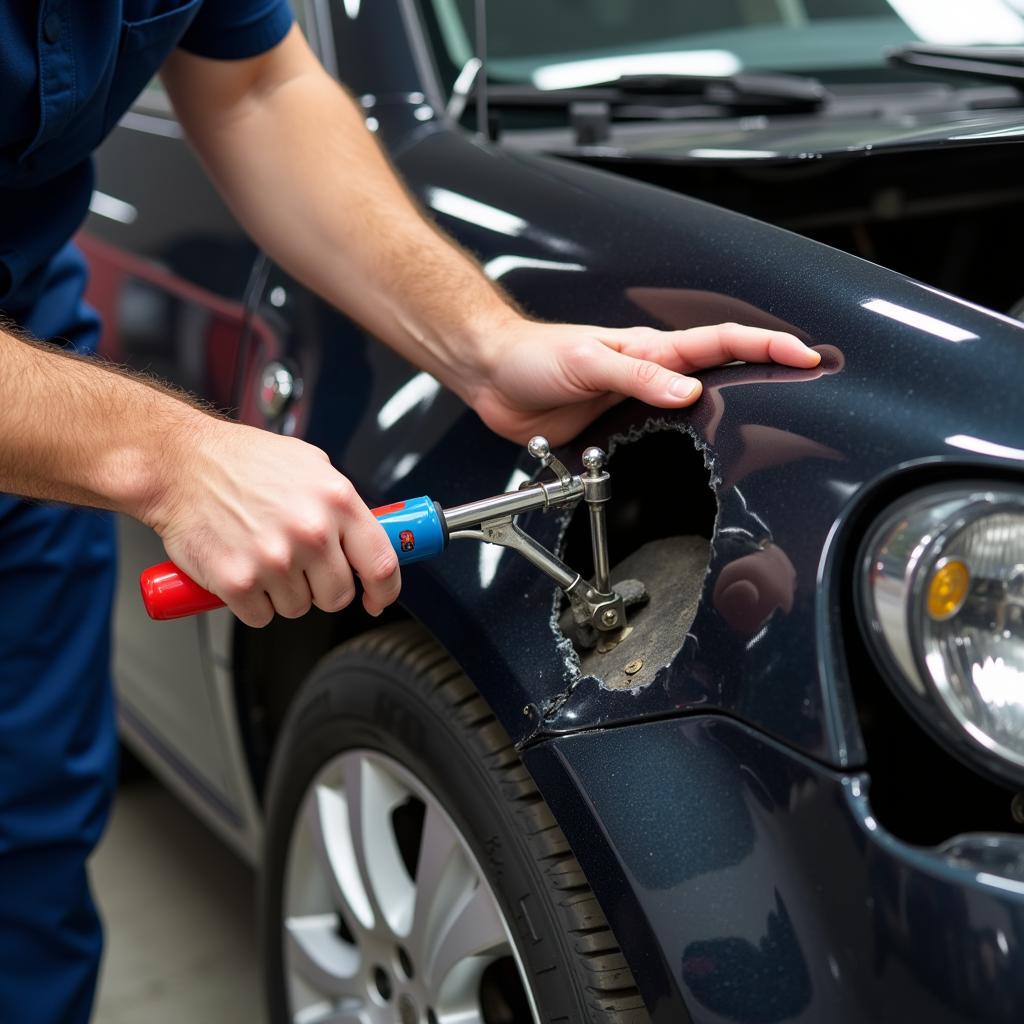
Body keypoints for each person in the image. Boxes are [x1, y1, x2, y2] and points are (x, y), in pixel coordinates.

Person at [0, 4, 821, 1021]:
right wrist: (165, 453)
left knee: (22, 863)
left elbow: (257, 85)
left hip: (27, 375)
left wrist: (483, 343)